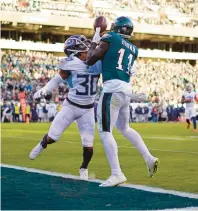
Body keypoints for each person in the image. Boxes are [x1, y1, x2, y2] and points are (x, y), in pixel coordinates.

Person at [86, 16, 159, 187]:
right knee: (124, 128)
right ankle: (149, 158)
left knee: (105, 131)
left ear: (117, 28)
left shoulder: (110, 38)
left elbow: (90, 59)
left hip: (112, 89)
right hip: (126, 90)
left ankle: (117, 173)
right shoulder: (133, 49)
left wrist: (94, 40)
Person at [29, 35, 101, 180]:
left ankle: (84, 168)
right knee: (52, 137)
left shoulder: (98, 62)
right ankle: (42, 144)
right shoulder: (69, 64)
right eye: (84, 47)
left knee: (88, 145)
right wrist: (45, 90)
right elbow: (57, 79)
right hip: (71, 106)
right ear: (75, 52)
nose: (88, 49)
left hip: (87, 109)